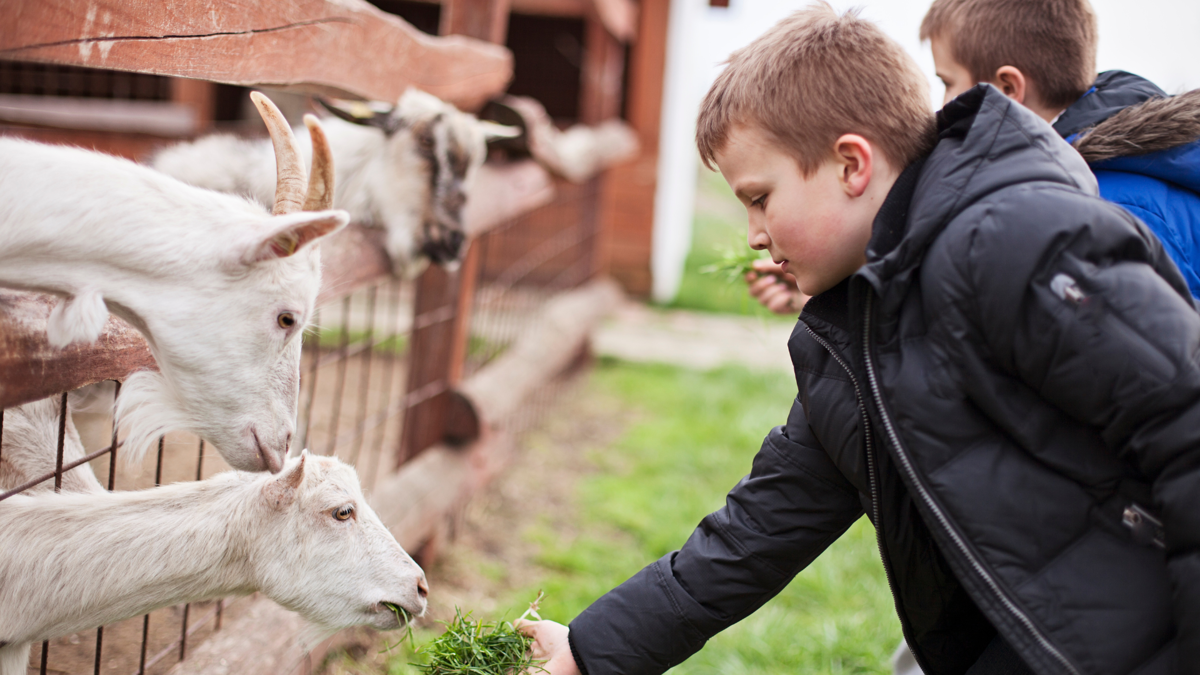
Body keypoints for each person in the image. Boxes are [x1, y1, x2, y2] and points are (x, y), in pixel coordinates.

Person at [519, 4, 1199, 674]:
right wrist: (589, 648)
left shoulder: (1011, 240)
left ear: (851, 164)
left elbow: (1185, 415)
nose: (754, 233)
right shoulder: (853, 332)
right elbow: (764, 523)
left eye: (760, 197)